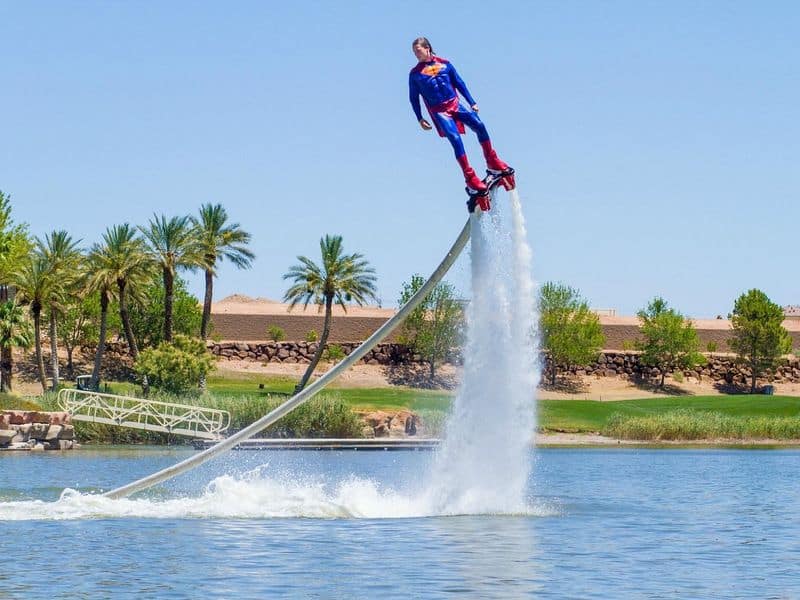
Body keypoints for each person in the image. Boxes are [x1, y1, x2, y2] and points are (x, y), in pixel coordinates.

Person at [408, 37, 514, 209]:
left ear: (427, 48)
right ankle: (470, 178)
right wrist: (419, 118)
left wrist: (472, 101)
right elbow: (413, 98)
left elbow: (459, 83)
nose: (416, 55)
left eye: (418, 51)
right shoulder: (415, 74)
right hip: (440, 111)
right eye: (414, 52)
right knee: (455, 139)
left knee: (480, 126)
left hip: (455, 104)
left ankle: (492, 161)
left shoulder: (445, 64)